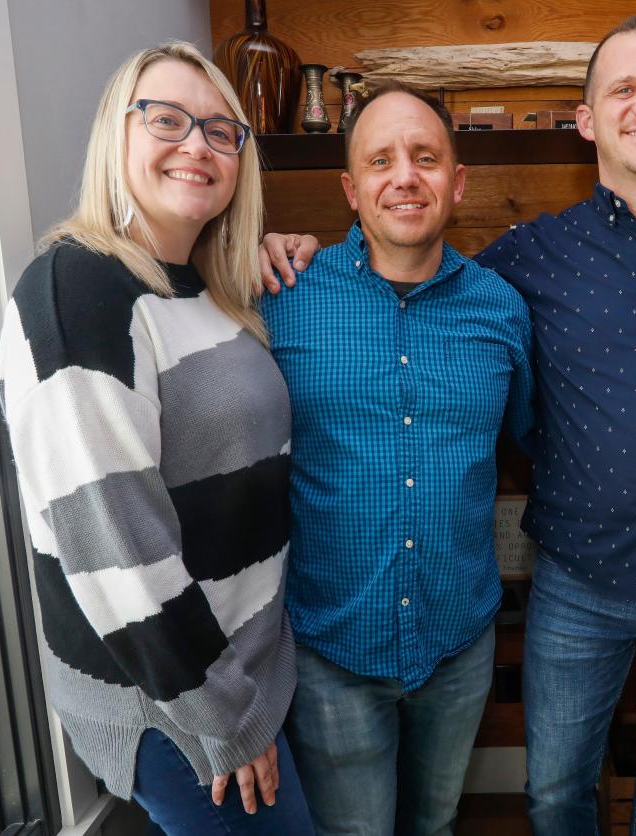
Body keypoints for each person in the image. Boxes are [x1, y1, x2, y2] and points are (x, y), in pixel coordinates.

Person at [262, 16, 636, 835]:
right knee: (553, 793)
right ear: (585, 119)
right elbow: (441, 331)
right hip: (573, 582)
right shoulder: (522, 262)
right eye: (622, 88)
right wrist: (268, 248)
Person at [0, 42, 313, 834]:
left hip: (243, 673)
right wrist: (225, 720)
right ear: (117, 135)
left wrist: (275, 248)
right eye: (166, 120)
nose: (196, 145)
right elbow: (113, 544)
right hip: (176, 701)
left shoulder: (203, 288)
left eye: (219, 130)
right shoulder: (79, 290)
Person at [258, 82, 534, 835]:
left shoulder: (501, 308)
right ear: (351, 189)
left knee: (436, 826)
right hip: (329, 649)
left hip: (459, 642)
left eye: (425, 157)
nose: (403, 176)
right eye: (379, 160)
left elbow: (529, 442)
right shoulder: (282, 295)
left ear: (458, 180)